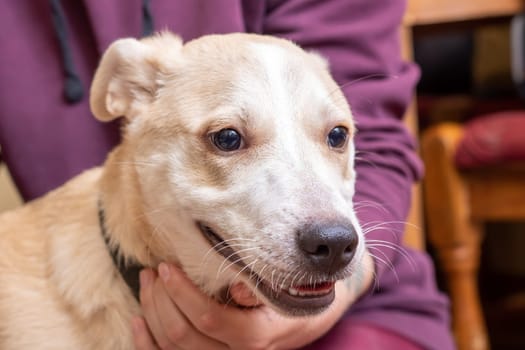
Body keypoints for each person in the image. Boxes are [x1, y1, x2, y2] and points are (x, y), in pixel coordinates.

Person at [0, 1, 455, 349]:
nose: (330, 231)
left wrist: (325, 306)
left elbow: (380, 140)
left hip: (367, 308)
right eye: (229, 139)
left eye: (335, 136)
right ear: (130, 93)